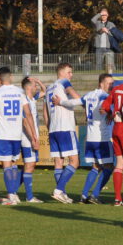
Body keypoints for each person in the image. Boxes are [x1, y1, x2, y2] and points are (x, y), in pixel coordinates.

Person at [0, 67, 39, 206]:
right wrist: (34, 135)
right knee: (13, 164)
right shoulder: (20, 92)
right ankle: (14, 194)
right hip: (17, 134)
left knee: (6, 165)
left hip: (4, 134)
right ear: (11, 76)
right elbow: (28, 114)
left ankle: (11, 194)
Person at [47, 62, 83, 203]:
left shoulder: (49, 88)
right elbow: (76, 97)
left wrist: (50, 127)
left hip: (53, 129)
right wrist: (86, 104)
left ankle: (62, 194)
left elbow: (45, 112)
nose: (71, 75)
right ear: (61, 72)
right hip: (65, 127)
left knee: (59, 162)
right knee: (75, 161)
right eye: (69, 72)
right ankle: (58, 190)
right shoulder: (64, 82)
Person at [101, 65, 123, 206]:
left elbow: (104, 107)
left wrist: (111, 114)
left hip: (116, 128)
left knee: (119, 163)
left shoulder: (116, 89)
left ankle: (117, 199)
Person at [80, 74, 115, 204]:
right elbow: (102, 108)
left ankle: (84, 196)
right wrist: (110, 113)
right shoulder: (104, 96)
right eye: (108, 83)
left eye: (112, 83)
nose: (111, 85)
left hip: (90, 137)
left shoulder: (89, 95)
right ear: (101, 84)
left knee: (96, 167)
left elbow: (80, 102)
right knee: (109, 166)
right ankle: (94, 195)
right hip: (102, 138)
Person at [19, 76, 46, 203]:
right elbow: (25, 122)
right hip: (27, 138)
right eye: (35, 85)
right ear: (29, 87)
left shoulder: (32, 98)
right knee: (29, 165)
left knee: (29, 165)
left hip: (32, 137)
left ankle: (12, 191)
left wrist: (38, 81)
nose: (37, 87)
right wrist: (33, 139)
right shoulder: (24, 100)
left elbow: (45, 91)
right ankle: (29, 197)